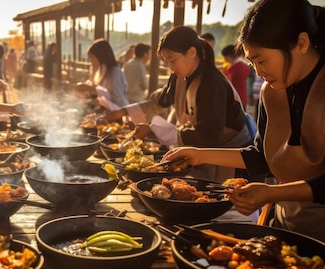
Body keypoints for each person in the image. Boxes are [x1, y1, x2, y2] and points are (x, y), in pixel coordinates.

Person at [163, 0, 325, 269]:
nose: (258, 72)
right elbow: (262, 155)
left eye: (262, 60)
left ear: (301, 42)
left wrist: (271, 192)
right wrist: (198, 154)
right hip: (287, 225)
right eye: (251, 63)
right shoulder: (271, 91)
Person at [107, 26, 252, 183]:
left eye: (171, 59)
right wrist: (123, 112)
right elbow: (158, 101)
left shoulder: (213, 82)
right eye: (166, 61)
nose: (169, 66)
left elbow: (209, 133)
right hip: (201, 147)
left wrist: (154, 130)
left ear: (191, 52)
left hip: (228, 153)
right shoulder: (179, 77)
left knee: (224, 197)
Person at [75, 38, 129, 111]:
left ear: (101, 57)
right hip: (107, 112)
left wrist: (93, 88)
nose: (92, 62)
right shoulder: (101, 71)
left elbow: (116, 98)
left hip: (118, 113)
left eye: (93, 59)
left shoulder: (115, 72)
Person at [221, 44, 251, 110]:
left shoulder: (233, 68)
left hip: (234, 98)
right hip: (243, 96)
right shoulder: (245, 66)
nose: (225, 59)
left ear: (230, 56)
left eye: (225, 57)